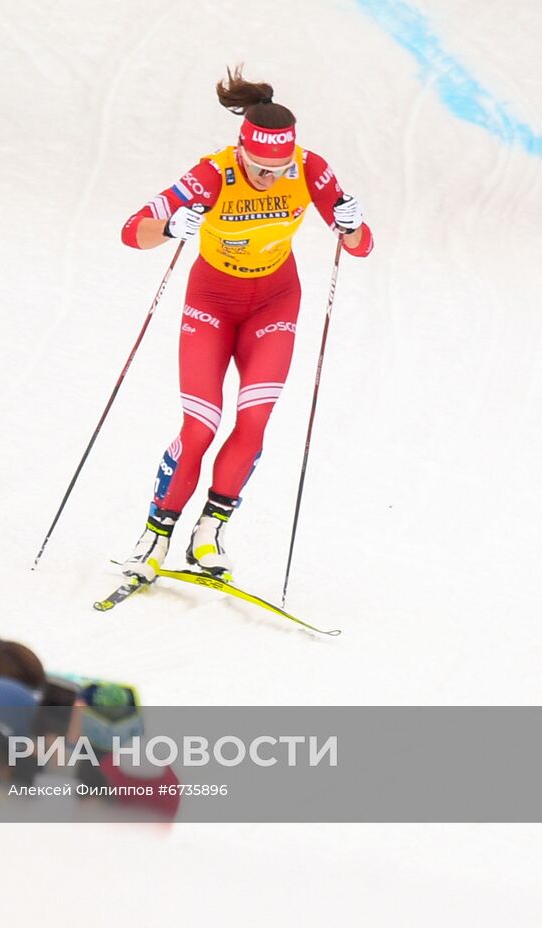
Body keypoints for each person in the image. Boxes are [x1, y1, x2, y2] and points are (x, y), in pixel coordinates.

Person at [119, 66, 373, 583]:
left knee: (253, 422)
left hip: (274, 302)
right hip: (211, 301)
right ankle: (154, 536)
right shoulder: (212, 173)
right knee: (200, 424)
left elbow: (361, 246)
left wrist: (351, 225)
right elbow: (131, 231)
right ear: (241, 151)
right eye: (259, 167)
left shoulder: (310, 168)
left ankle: (209, 533)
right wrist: (169, 227)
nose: (269, 178)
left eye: (278, 170)